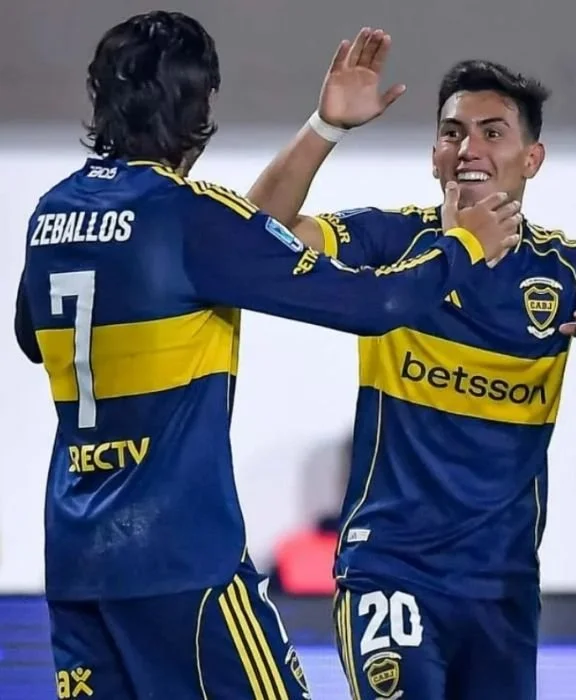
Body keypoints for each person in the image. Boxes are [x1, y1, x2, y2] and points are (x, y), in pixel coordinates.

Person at [14, 12, 520, 700]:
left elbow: (31, 336)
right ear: (197, 108)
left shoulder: (52, 213)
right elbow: (371, 305)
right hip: (183, 562)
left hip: (77, 565)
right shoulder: (189, 214)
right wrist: (461, 246)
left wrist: (325, 127)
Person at [246, 30, 576, 700]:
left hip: (501, 586)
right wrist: (325, 127)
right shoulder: (392, 239)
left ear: (532, 158)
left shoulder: (570, 273)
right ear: (434, 156)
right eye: (452, 133)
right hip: (390, 568)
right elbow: (254, 231)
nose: (468, 149)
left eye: (492, 133)